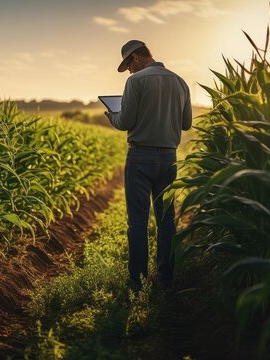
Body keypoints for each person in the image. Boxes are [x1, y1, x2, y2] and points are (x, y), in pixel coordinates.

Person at [105, 39, 192, 289]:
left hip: (140, 157)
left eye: (128, 65)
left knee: (138, 221)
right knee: (166, 220)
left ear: (134, 58)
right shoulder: (180, 82)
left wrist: (112, 115)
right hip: (168, 158)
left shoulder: (135, 81)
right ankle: (165, 277)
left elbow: (125, 121)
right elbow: (186, 124)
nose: (129, 71)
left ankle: (138, 280)